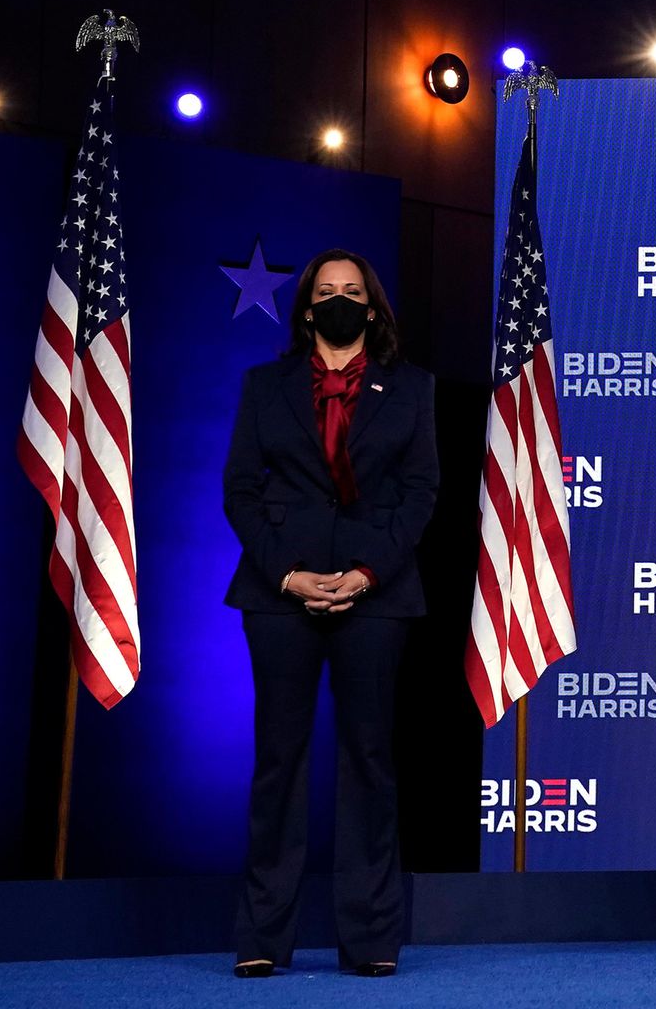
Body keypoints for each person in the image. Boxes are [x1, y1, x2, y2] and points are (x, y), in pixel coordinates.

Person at [222, 248, 437, 978]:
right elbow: (240, 493)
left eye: (354, 291)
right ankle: (260, 939)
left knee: (370, 763)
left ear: (372, 310)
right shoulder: (265, 387)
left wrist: (365, 572)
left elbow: (421, 494)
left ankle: (372, 941)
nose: (339, 300)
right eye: (326, 291)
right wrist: (288, 574)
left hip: (375, 598)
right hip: (279, 595)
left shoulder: (412, 389)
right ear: (307, 309)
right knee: (278, 761)